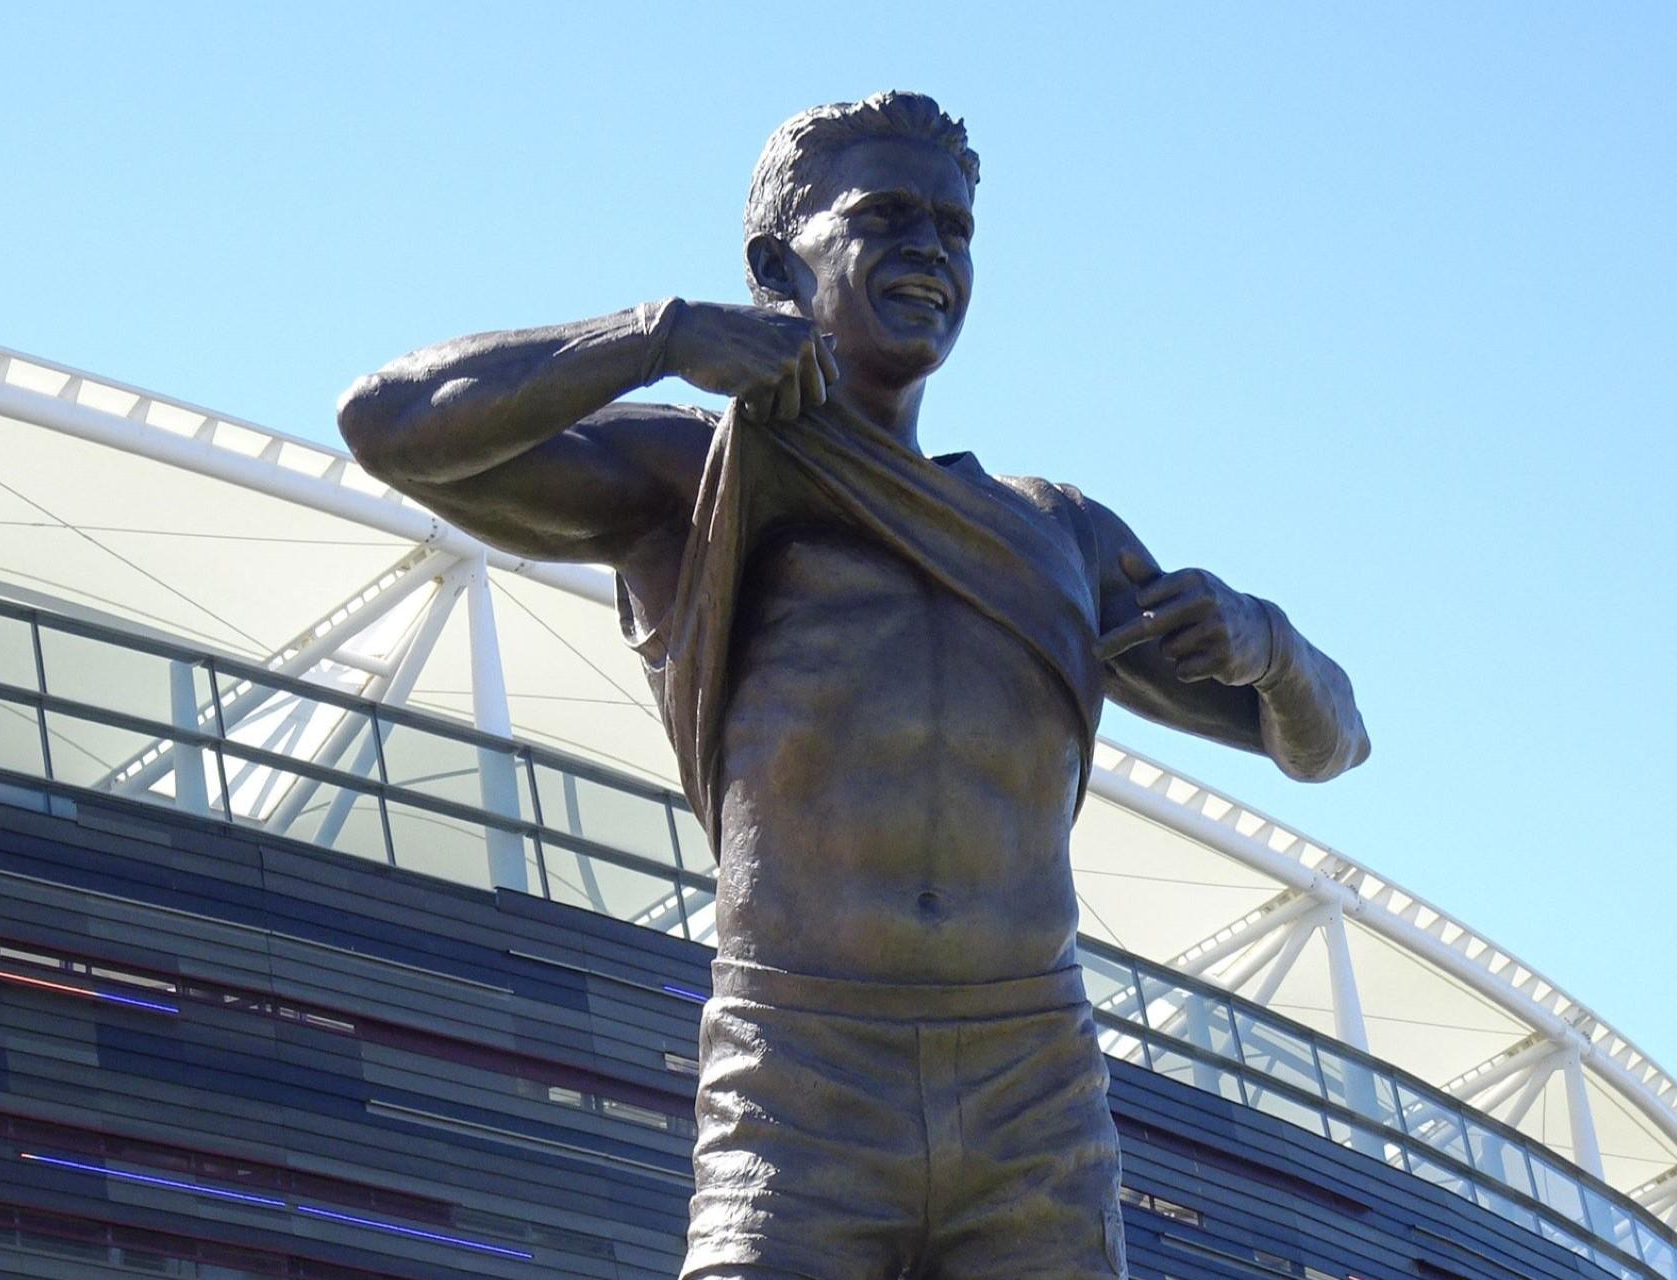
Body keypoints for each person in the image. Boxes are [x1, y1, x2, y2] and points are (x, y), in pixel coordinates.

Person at [339, 90, 1368, 1280]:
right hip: (801, 1079)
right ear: (780, 260)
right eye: (886, 215)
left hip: (1031, 1092)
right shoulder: (700, 476)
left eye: (955, 227)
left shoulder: (1056, 534)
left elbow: (1327, 742)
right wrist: (659, 332)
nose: (931, 248)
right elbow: (388, 423)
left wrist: (1268, 641)